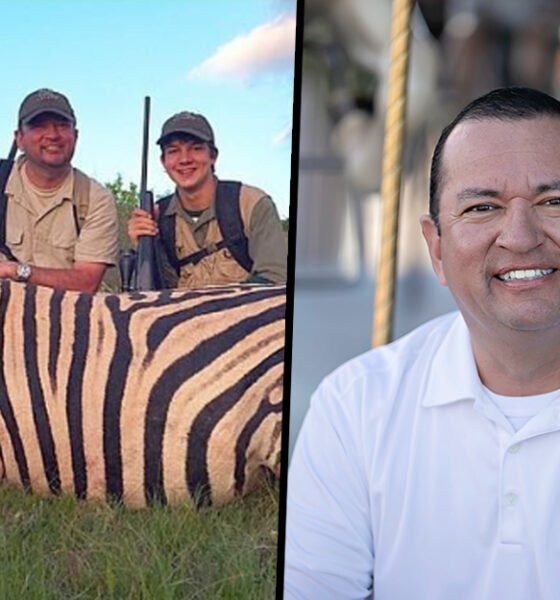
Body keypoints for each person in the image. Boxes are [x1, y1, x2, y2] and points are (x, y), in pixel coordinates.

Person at [285, 87, 560, 599]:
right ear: (436, 248)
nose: (520, 236)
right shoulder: (354, 409)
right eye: (483, 207)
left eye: (554, 202)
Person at [127, 111, 287, 288]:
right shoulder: (156, 217)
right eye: (173, 151)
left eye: (196, 148)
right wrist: (142, 246)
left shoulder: (252, 204)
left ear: (213, 155)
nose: (185, 159)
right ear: (163, 161)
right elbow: (153, 294)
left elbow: (275, 278)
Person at [1, 88, 119, 292]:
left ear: (76, 135)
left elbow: (87, 283)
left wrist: (15, 271)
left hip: (66, 316)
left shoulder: (95, 198)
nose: (53, 135)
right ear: (19, 138)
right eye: (39, 126)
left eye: (62, 125)